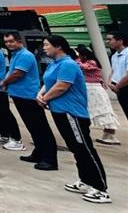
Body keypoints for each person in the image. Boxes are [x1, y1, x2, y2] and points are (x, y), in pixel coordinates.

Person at [39, 35, 110, 204]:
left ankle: (100, 188)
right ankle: (85, 180)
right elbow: (49, 82)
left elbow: (62, 86)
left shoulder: (68, 64)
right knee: (75, 148)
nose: (44, 48)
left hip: (72, 113)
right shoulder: (54, 64)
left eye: (47, 45)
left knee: (84, 148)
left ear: (58, 47)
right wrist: (40, 94)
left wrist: (45, 98)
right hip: (59, 111)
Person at [1, 32, 58, 169]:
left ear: (19, 41)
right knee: (33, 128)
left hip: (28, 96)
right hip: (20, 95)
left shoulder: (25, 55)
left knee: (40, 128)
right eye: (6, 42)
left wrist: (4, 82)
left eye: (11, 41)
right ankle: (39, 153)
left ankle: (49, 159)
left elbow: (18, 74)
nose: (8, 44)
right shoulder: (16, 55)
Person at [76, 45, 120, 145]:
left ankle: (110, 135)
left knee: (103, 111)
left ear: (84, 55)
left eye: (80, 55)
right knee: (94, 111)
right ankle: (108, 135)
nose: (79, 57)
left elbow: (82, 66)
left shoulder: (92, 62)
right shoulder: (85, 62)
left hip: (95, 89)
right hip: (89, 89)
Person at [106, 31, 127, 118]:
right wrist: (109, 82)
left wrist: (117, 86)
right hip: (119, 88)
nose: (107, 42)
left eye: (110, 39)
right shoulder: (114, 56)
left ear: (120, 41)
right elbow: (113, 70)